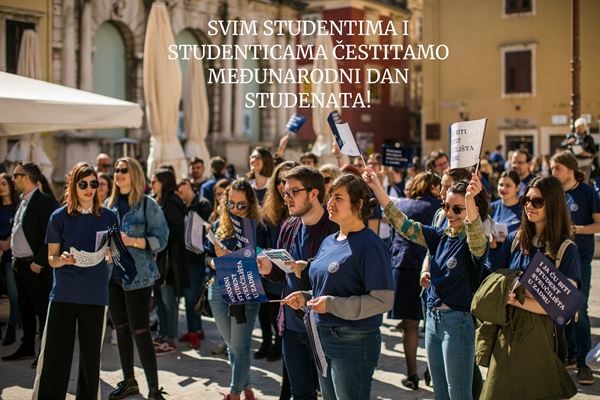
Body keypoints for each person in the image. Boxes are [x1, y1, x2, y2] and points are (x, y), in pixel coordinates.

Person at [365, 168, 489, 400]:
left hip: (457, 323)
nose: (449, 213)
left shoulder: (475, 241)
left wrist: (471, 202)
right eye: (446, 207)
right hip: (432, 321)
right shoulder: (440, 235)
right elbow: (403, 224)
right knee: (440, 391)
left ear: (472, 209)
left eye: (457, 209)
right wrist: (377, 188)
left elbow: (476, 234)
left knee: (459, 393)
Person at [284, 174, 394, 400]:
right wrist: (307, 297)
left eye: (338, 198)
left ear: (359, 204)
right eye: (330, 197)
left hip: (353, 342)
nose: (330, 204)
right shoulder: (329, 241)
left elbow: (383, 301)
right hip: (322, 338)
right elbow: (327, 288)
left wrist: (332, 305)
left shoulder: (370, 245)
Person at [476, 176, 580, 399]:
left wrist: (517, 299)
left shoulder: (565, 248)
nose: (529, 206)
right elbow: (497, 280)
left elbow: (564, 308)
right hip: (507, 335)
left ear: (553, 203)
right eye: (526, 200)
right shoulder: (516, 239)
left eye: (537, 201)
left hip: (543, 342)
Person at [33, 162, 118, 399]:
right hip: (64, 294)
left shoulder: (109, 216)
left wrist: (110, 254)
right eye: (83, 184)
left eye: (94, 184)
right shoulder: (58, 217)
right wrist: (61, 259)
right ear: (74, 186)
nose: (90, 188)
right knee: (55, 356)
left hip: (95, 295)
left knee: (91, 359)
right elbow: (51, 257)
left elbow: (116, 253)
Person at [258, 165, 338, 400]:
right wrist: (268, 269)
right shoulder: (289, 226)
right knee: (300, 393)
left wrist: (306, 270)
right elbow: (282, 273)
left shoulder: (335, 229)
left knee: (332, 392)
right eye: (285, 193)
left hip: (325, 327)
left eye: (294, 192)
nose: (287, 198)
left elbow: (338, 280)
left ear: (314, 193)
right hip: (292, 326)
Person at [105, 157, 169, 400]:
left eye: (124, 170)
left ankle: (153, 389)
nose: (118, 173)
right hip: (113, 276)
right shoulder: (107, 206)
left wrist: (133, 241)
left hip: (139, 277)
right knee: (120, 328)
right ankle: (129, 381)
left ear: (134, 174)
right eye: (116, 170)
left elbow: (162, 239)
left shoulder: (147, 205)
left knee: (140, 330)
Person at [205, 178, 262, 400]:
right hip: (218, 290)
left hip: (245, 291)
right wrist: (216, 261)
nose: (236, 209)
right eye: (231, 204)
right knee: (231, 345)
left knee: (240, 345)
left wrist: (234, 259)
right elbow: (205, 258)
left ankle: (234, 393)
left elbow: (264, 257)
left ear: (250, 204)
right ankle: (246, 388)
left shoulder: (259, 227)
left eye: (241, 205)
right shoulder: (219, 225)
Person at [388, 171, 442, 390]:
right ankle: (433, 370)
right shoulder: (438, 207)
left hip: (402, 265)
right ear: (432, 187)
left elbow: (393, 238)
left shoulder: (403, 204)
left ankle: (412, 374)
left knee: (409, 325)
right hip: (427, 267)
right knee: (432, 323)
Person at [551, 151, 600, 384]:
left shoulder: (588, 192)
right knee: (560, 310)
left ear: (570, 169)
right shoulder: (556, 192)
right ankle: (566, 356)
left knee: (579, 311)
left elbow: (599, 224)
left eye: (556, 168)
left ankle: (583, 364)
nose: (552, 173)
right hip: (558, 258)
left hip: (580, 257)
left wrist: (577, 230)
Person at [2, 163, 57, 367]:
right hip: (20, 264)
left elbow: (51, 236)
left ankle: (45, 353)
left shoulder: (44, 201)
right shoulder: (22, 202)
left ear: (26, 177)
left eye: (16, 175)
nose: (12, 179)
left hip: (35, 267)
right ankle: (26, 347)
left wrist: (40, 262)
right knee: (24, 309)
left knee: (42, 311)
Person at [256, 161, 299, 362]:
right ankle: (268, 341)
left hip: (291, 272)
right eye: (280, 181)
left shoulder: (299, 210)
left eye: (288, 180)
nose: (284, 186)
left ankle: (279, 344)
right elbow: (261, 239)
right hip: (269, 269)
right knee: (267, 310)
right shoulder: (270, 209)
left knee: (284, 314)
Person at [151, 168, 188, 355]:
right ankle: (162, 334)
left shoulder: (172, 203)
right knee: (159, 299)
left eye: (154, 181)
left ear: (163, 183)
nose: (151, 185)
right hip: (158, 260)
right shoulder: (157, 201)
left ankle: (170, 338)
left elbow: (174, 234)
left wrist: (157, 243)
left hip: (169, 262)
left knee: (168, 301)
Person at [176, 179, 212, 349]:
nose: (179, 190)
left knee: (192, 297)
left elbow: (208, 227)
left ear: (190, 186)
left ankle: (194, 332)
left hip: (197, 259)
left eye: (181, 186)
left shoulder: (203, 204)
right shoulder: (183, 206)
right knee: (190, 297)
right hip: (186, 258)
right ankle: (196, 330)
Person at [487, 170, 522, 272]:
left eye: (508, 185)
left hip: (511, 265)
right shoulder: (491, 207)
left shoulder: (524, 210)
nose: (503, 188)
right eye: (501, 184)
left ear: (517, 187)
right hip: (490, 263)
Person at [0, 173, 19, 346]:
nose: (1, 187)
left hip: (10, 257)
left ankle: (12, 329)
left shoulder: (18, 207)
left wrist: (8, 242)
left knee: (14, 295)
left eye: (4, 183)